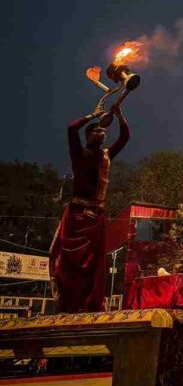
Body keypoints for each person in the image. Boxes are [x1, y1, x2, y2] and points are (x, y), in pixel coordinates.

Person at [50, 105, 130, 313]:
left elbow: (124, 138)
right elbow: (71, 128)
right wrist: (93, 115)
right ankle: (65, 303)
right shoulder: (79, 152)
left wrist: (120, 115)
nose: (102, 133)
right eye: (97, 130)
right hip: (77, 216)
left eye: (103, 131)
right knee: (69, 262)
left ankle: (90, 305)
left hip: (96, 217)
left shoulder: (106, 156)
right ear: (87, 135)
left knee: (94, 266)